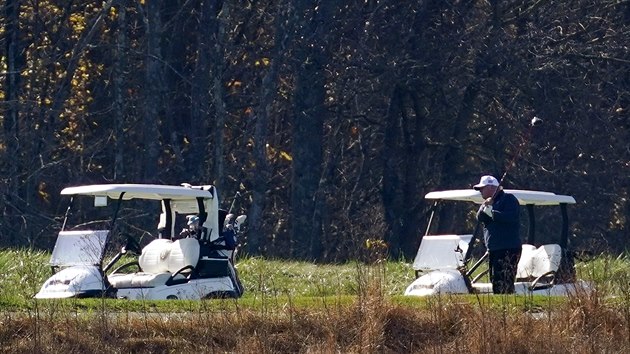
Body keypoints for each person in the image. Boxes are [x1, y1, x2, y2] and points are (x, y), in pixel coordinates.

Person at [473, 175, 522, 294]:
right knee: (495, 280)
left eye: (482, 188)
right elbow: (480, 217)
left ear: (491, 188)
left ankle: (507, 308)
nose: (480, 192)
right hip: (494, 249)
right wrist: (486, 206)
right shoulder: (488, 202)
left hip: (508, 248)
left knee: (504, 281)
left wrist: (492, 213)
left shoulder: (509, 199)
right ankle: (500, 308)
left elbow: (511, 218)